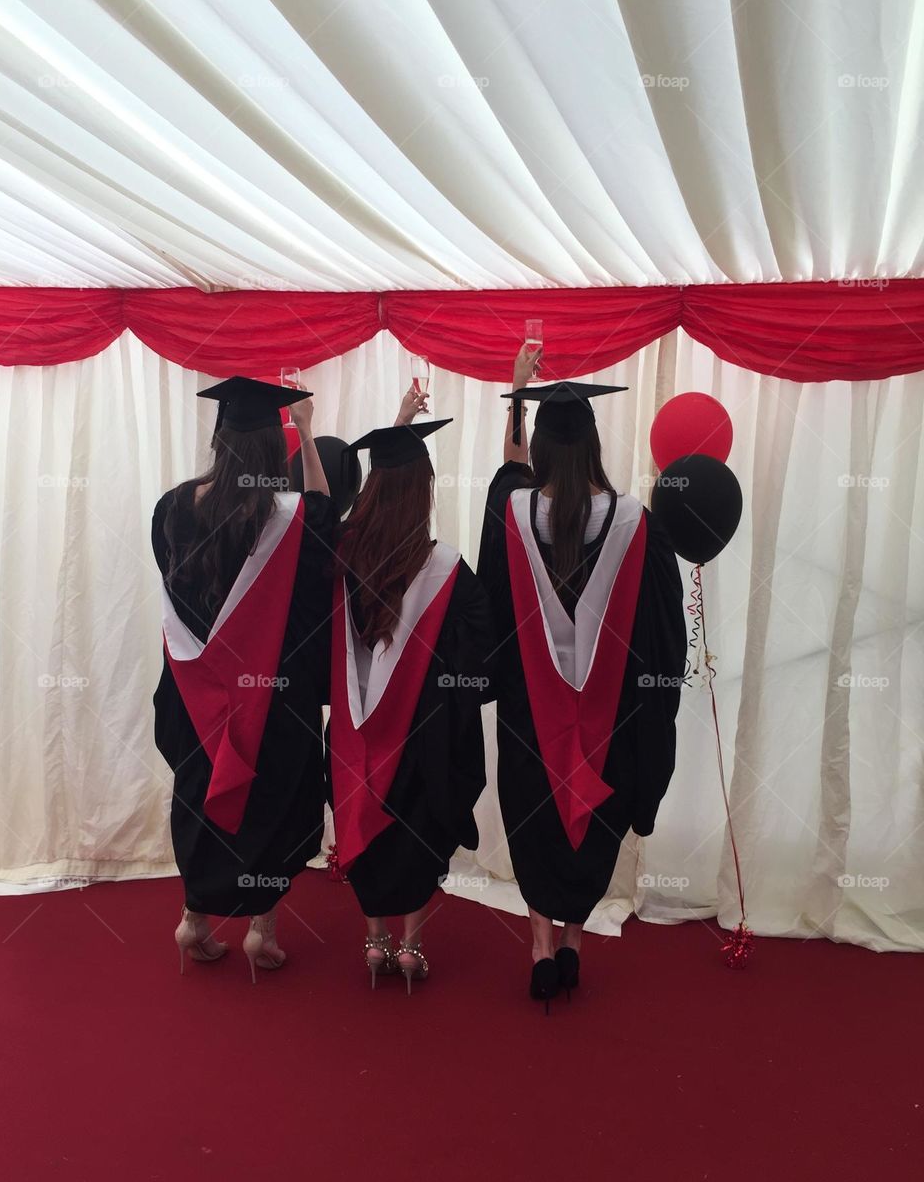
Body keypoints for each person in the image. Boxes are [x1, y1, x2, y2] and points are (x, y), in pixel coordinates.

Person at [477, 346, 687, 1010]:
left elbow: (490, 607)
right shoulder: (637, 524)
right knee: (589, 825)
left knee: (535, 821)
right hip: (612, 719)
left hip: (528, 716)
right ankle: (572, 942)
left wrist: (517, 391)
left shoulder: (510, 514)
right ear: (594, 443)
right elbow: (663, 636)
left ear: (539, 447)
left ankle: (540, 946)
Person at [152, 376, 335, 983]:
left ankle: (192, 921)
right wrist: (306, 430)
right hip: (269, 696)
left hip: (196, 694)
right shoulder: (289, 517)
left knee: (200, 793)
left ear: (219, 438)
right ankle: (263, 928)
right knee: (271, 802)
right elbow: (325, 519)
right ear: (269, 449)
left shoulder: (172, 507)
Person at [327, 389, 493, 993]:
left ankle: (374, 940)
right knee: (419, 830)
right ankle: (411, 948)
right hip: (424, 734)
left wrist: (397, 429)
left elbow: (362, 504)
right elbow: (484, 650)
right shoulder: (446, 568)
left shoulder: (342, 553)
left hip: (354, 727)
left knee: (364, 821)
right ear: (424, 493)